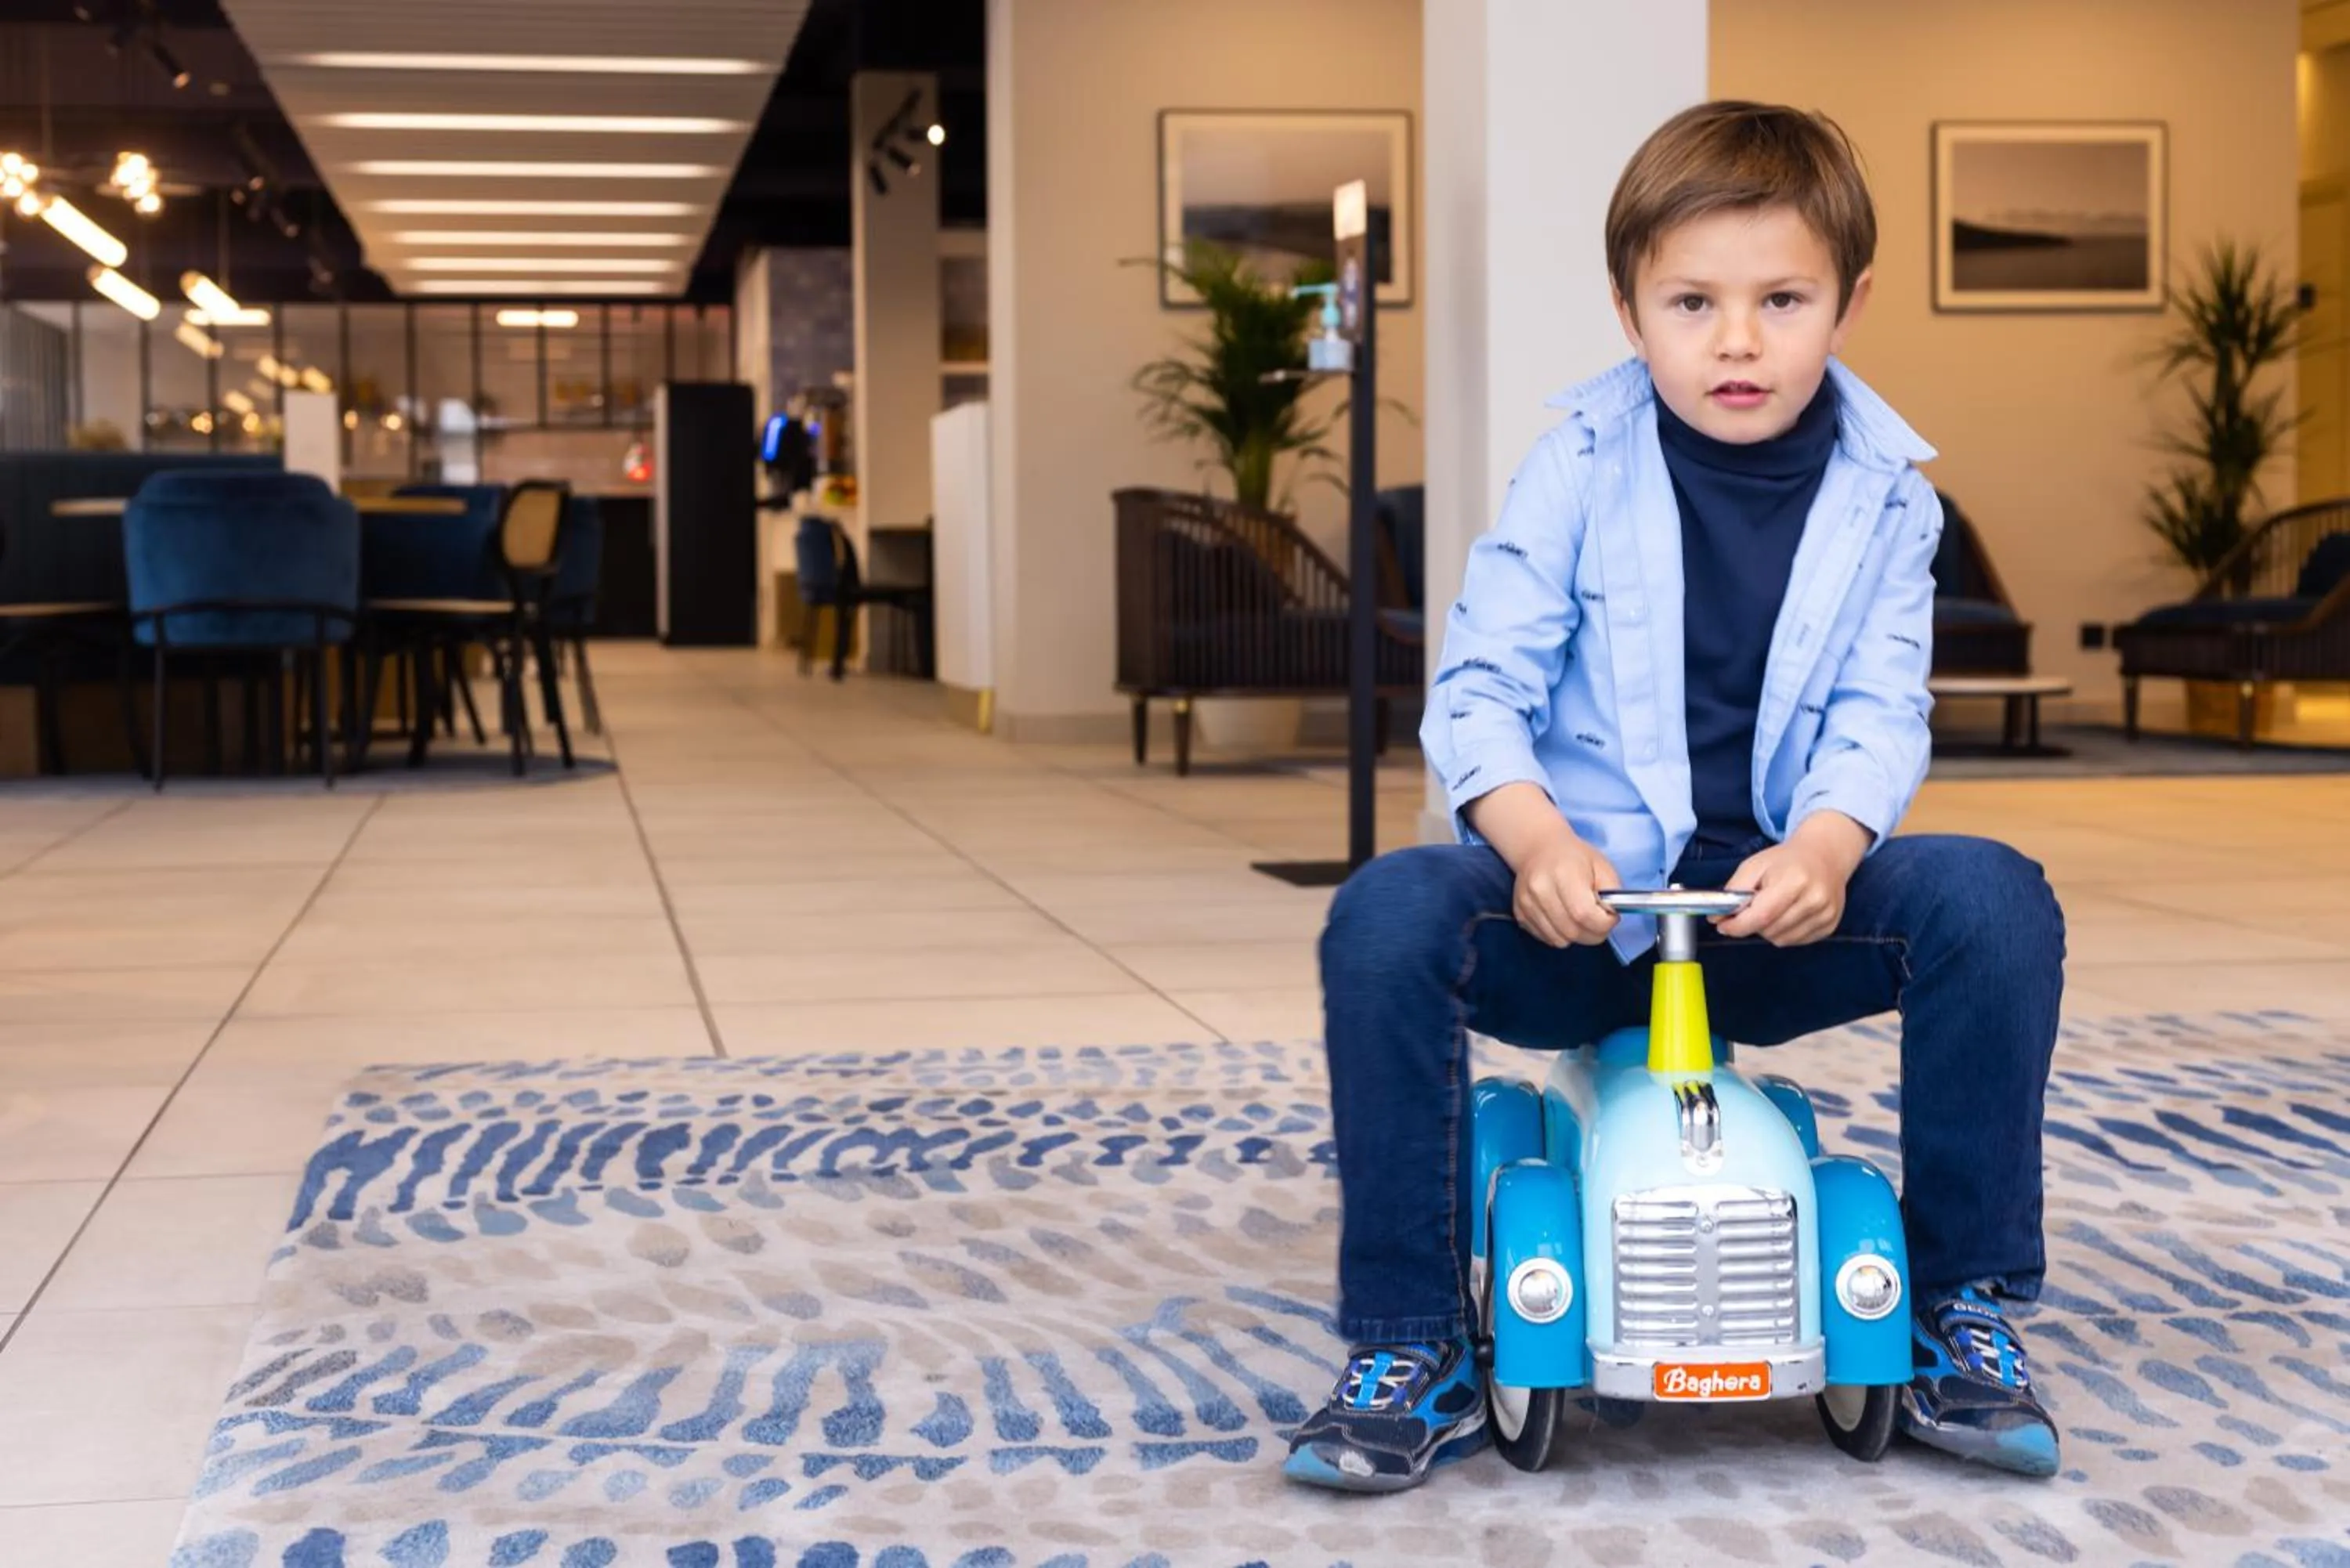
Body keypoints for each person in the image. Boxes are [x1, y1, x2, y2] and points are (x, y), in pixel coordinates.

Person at [1282, 100, 2066, 1494]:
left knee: (1994, 897)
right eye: (1693, 301)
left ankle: (1958, 1305)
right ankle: (1413, 1339)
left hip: (1765, 919)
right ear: (1630, 307)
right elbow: (1474, 691)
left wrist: (1829, 843)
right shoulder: (1578, 462)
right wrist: (1531, 841)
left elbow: (1887, 711)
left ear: (1850, 302)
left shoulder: (1893, 499)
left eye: (1783, 299)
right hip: (1587, 919)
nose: (1739, 340)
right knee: (1388, 916)